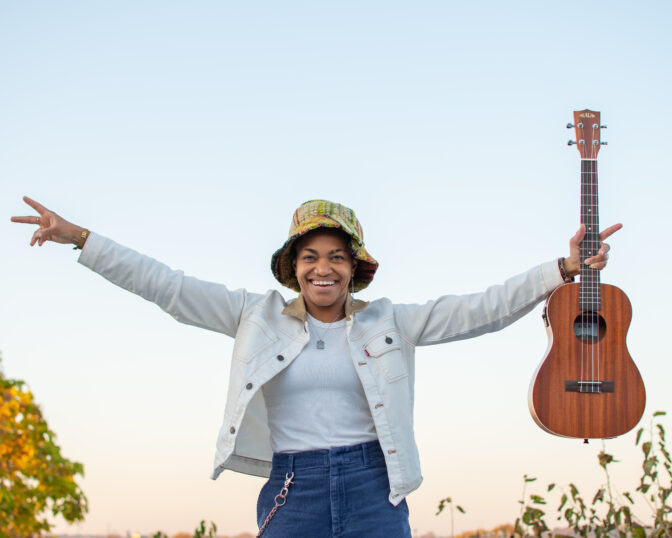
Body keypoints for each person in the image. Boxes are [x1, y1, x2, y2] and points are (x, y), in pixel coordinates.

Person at [12, 196, 618, 537]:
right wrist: (79, 238)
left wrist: (559, 271)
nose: (321, 268)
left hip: (373, 485)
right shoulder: (254, 315)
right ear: (292, 267)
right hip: (291, 488)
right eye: (309, 256)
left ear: (355, 267)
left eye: (335, 257)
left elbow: (478, 310)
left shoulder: (389, 322)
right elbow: (164, 285)